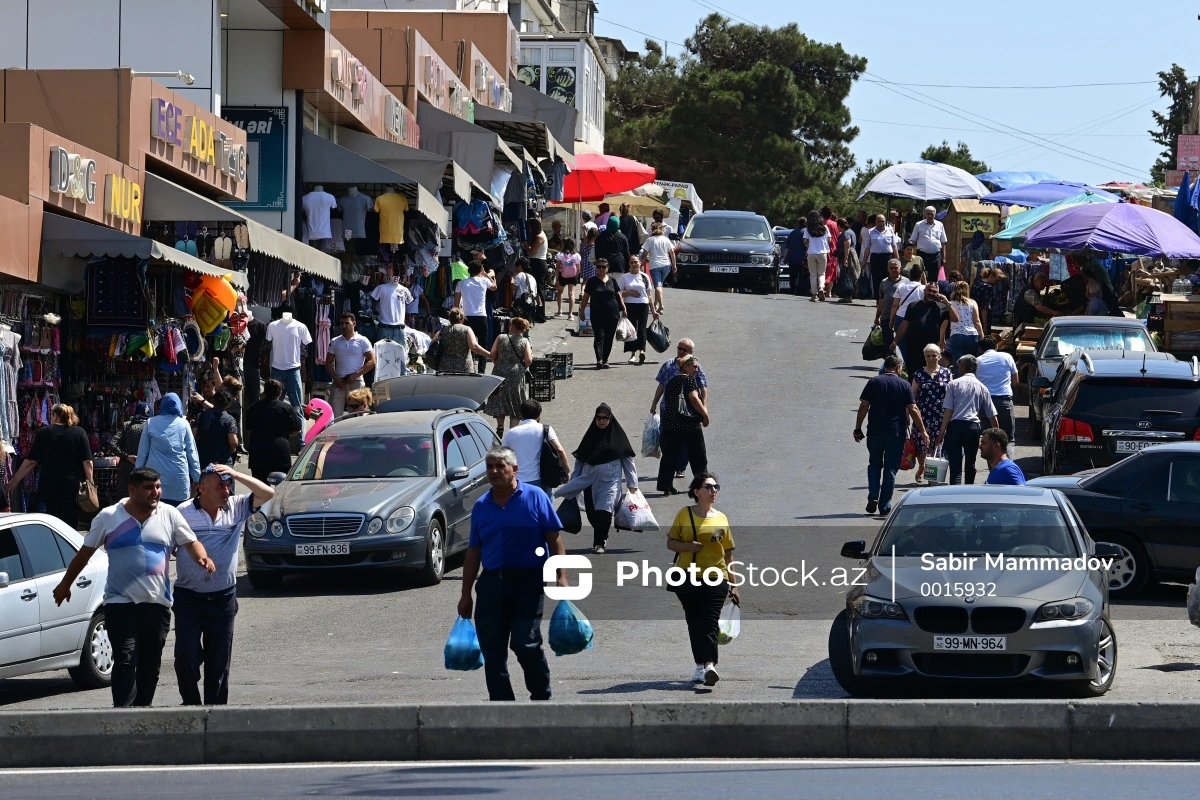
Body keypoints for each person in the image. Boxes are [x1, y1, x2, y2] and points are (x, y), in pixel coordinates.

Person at [52, 467, 216, 707]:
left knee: (150, 664)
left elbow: (191, 543)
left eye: (158, 487)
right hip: (120, 602)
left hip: (157, 603)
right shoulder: (108, 517)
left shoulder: (169, 514)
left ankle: (142, 711)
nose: (156, 493)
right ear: (132, 490)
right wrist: (66, 584)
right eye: (149, 488)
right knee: (126, 659)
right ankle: (123, 715)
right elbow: (85, 554)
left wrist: (203, 558)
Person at [458, 447, 566, 701]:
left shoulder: (536, 497)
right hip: (492, 585)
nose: (494, 471)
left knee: (525, 644)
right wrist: (465, 595)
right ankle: (502, 707)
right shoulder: (482, 506)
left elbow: (555, 539)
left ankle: (541, 696)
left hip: (528, 584)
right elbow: (473, 552)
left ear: (514, 469)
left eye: (500, 466)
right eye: (490, 467)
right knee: (492, 653)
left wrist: (562, 575)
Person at [174, 463, 274, 706]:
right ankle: (192, 707)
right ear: (202, 488)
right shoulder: (182, 512)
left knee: (219, 664)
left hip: (223, 600)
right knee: (185, 656)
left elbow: (269, 494)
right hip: (188, 599)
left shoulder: (236, 507)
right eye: (220, 486)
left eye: (228, 486)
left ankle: (215, 716)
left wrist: (237, 474)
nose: (226, 491)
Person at [666, 472, 738, 687]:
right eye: (708, 487)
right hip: (686, 576)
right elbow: (671, 543)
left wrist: (734, 584)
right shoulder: (685, 514)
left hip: (716, 577)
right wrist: (687, 546)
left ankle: (709, 665)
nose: (713, 490)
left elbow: (729, 553)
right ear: (697, 492)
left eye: (716, 487)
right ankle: (700, 666)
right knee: (694, 621)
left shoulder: (721, 518)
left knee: (709, 620)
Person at [555, 404, 638, 553]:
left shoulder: (617, 439)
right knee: (593, 516)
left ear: (610, 419)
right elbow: (580, 461)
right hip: (589, 484)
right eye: (599, 418)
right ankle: (601, 533)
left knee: (604, 511)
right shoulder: (589, 438)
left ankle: (599, 542)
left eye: (605, 418)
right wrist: (574, 482)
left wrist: (633, 485)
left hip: (610, 483)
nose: (602, 421)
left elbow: (628, 461)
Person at [855, 355, 928, 515]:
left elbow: (864, 405)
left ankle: (873, 495)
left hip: (874, 432)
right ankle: (885, 505)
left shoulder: (874, 382)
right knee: (890, 469)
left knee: (874, 464)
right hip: (895, 433)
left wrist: (858, 428)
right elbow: (913, 409)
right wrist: (923, 431)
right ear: (898, 368)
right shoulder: (904, 384)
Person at [6, 403, 93, 529]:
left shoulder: (45, 432)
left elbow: (31, 462)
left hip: (50, 485)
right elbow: (87, 462)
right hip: (72, 486)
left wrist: (14, 481)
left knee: (53, 522)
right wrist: (90, 484)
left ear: (55, 416)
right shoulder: (80, 432)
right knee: (71, 522)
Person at [934, 355, 1000, 486]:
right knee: (970, 462)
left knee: (955, 464)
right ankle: (969, 489)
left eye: (959, 366)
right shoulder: (982, 387)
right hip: (973, 428)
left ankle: (955, 489)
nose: (958, 369)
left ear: (963, 366)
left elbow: (948, 411)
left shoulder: (953, 384)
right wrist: (997, 436)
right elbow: (992, 415)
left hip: (955, 427)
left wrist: (941, 434)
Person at [651, 339, 710, 480]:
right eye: (680, 348)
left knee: (684, 443)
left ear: (691, 353)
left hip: (687, 414)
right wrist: (654, 404)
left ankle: (680, 468)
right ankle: (670, 474)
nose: (681, 351)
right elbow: (661, 385)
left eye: (685, 350)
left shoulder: (695, 368)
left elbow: (702, 387)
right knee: (667, 442)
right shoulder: (668, 365)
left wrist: (705, 407)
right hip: (668, 412)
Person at [134, 393, 200, 506]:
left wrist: (136, 476)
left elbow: (142, 452)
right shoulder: (184, 424)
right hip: (178, 478)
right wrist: (197, 477)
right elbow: (192, 453)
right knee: (178, 516)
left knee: (155, 516)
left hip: (155, 479)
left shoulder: (151, 422)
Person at [502, 399, 570, 493]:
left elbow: (502, 456)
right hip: (540, 480)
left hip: (517, 481)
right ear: (539, 415)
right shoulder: (545, 429)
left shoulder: (511, 433)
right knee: (543, 507)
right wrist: (567, 471)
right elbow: (560, 449)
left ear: (521, 415)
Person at [891, 282, 958, 375]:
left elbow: (955, 319)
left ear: (938, 293)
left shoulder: (941, 307)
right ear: (924, 291)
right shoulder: (913, 305)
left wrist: (947, 302)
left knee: (930, 375)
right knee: (913, 375)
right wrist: (895, 341)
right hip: (914, 348)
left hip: (931, 351)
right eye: (929, 290)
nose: (931, 293)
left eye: (934, 291)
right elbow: (904, 324)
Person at [244, 378, 301, 483]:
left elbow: (249, 430)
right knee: (282, 488)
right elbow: (296, 430)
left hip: (258, 452)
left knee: (260, 490)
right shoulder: (287, 408)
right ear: (280, 393)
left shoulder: (253, 408)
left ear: (265, 392)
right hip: (280, 451)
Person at [910, 344, 952, 485]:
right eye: (928, 355)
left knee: (938, 444)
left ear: (939, 356)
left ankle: (932, 477)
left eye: (934, 355)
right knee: (922, 445)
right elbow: (912, 396)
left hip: (941, 415)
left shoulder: (946, 373)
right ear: (925, 358)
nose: (931, 358)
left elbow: (952, 394)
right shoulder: (919, 374)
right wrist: (909, 414)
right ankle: (923, 467)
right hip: (923, 415)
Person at [484, 317, 534, 436]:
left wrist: (498, 363)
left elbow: (492, 354)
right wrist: (522, 367)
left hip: (499, 371)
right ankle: (512, 432)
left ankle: (500, 425)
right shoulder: (525, 341)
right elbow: (529, 360)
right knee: (515, 401)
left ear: (512, 326)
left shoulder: (501, 337)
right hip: (516, 373)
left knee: (500, 398)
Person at [578, 259, 627, 368]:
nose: (600, 269)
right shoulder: (591, 281)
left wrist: (623, 307)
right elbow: (586, 297)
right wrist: (582, 311)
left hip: (612, 313)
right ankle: (599, 359)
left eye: (603, 267)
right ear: (595, 268)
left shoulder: (612, 281)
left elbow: (618, 295)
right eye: (598, 266)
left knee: (609, 337)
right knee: (599, 336)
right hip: (596, 312)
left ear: (607, 269)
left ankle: (605, 359)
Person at [325, 312, 376, 415]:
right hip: (339, 382)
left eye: (347, 323)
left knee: (358, 417)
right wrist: (336, 379)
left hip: (356, 382)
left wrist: (355, 375)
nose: (344, 326)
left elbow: (372, 361)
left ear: (354, 323)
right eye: (342, 323)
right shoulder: (335, 341)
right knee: (334, 417)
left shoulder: (362, 340)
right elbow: (328, 363)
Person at [975, 337, 1018, 456]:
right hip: (1004, 401)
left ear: (981, 349)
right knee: (1008, 438)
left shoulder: (977, 361)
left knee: (989, 439)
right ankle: (1007, 467)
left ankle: (993, 470)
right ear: (996, 346)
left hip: (984, 404)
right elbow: (1015, 381)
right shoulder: (1007, 357)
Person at [454, 260, 498, 365]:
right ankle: (481, 370)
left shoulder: (461, 283)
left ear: (469, 270)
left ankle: (469, 365)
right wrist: (486, 274)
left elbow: (456, 305)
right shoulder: (484, 281)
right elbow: (494, 286)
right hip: (481, 316)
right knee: (483, 344)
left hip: (466, 317)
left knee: (467, 344)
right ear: (480, 270)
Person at [620, 255, 658, 363]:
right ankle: (633, 354)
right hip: (630, 305)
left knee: (642, 329)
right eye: (631, 262)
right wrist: (629, 293)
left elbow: (649, 294)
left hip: (643, 305)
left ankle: (642, 351)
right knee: (631, 329)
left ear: (640, 263)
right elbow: (619, 293)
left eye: (635, 262)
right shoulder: (625, 277)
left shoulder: (645, 276)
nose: (634, 264)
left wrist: (654, 310)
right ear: (629, 264)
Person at [432, 308, 492, 375]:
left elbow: (433, 343)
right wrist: (490, 355)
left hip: (445, 368)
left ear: (450, 318)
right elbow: (474, 347)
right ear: (462, 318)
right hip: (464, 368)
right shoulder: (467, 329)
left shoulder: (443, 330)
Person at [946, 281, 985, 374]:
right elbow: (977, 321)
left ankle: (959, 385)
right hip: (972, 335)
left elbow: (946, 321)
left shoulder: (950, 304)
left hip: (956, 334)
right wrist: (982, 336)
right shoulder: (972, 302)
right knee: (971, 364)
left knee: (958, 364)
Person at [113, 402, 153, 489]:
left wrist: (126, 456)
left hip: (126, 470)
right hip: (146, 470)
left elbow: (113, 445)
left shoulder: (126, 425)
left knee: (125, 500)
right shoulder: (151, 428)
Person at [194, 390, 238, 468]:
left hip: (204, 459)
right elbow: (233, 441)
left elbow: (193, 434)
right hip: (222, 460)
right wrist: (232, 449)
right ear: (228, 404)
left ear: (214, 400)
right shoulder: (230, 419)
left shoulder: (201, 415)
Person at [640, 222, 676, 313]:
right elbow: (672, 252)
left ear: (652, 230)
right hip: (666, 265)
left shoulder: (650, 240)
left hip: (655, 265)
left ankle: (661, 305)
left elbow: (644, 254)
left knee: (657, 286)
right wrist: (674, 265)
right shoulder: (666, 239)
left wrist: (640, 263)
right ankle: (655, 304)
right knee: (659, 285)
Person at [874, 259, 905, 355]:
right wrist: (877, 317)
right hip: (886, 316)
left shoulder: (906, 282)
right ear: (888, 269)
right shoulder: (884, 282)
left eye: (896, 268)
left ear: (900, 269)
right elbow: (881, 301)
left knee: (902, 341)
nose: (893, 270)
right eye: (891, 268)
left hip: (901, 317)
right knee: (888, 342)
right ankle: (890, 363)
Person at [909, 206, 948, 279]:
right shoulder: (918, 225)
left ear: (935, 215)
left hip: (936, 256)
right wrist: (910, 253)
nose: (930, 216)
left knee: (934, 277)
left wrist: (944, 257)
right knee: (921, 275)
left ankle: (933, 290)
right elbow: (913, 241)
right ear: (925, 214)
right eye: (928, 214)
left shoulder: (940, 225)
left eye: (932, 214)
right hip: (922, 255)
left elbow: (943, 242)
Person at [864, 214, 897, 297]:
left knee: (888, 278)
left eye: (883, 221)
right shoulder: (871, 231)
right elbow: (867, 248)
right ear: (875, 222)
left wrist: (897, 260)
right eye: (879, 221)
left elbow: (894, 246)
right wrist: (864, 261)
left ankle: (887, 297)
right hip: (876, 257)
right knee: (876, 278)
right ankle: (878, 299)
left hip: (887, 257)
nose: (881, 223)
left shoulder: (890, 230)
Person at [803, 210, 832, 302]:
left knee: (813, 274)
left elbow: (805, 241)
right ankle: (821, 288)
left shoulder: (808, 229)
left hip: (811, 253)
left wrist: (809, 245)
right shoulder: (825, 228)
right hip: (823, 253)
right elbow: (829, 240)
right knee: (822, 273)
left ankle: (814, 295)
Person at [971, 266, 1006, 335]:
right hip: (981, 318)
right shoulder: (988, 288)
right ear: (991, 276)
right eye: (997, 280)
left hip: (972, 316)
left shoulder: (977, 283)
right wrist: (985, 326)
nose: (997, 283)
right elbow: (984, 308)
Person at [523, 217, 550, 302]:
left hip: (538, 263)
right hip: (538, 262)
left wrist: (525, 245)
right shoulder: (541, 235)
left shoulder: (539, 237)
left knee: (538, 288)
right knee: (537, 287)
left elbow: (532, 252)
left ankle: (540, 311)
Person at [554, 237, 581, 318]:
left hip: (562, 275)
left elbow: (557, 267)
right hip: (573, 276)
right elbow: (578, 268)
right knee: (571, 293)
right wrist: (575, 275)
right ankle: (570, 314)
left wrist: (557, 278)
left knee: (560, 292)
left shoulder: (560, 255)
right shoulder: (576, 255)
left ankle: (560, 311)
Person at [783, 218, 809, 297]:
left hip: (792, 258)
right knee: (802, 276)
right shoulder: (806, 232)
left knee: (792, 276)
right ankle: (800, 291)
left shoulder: (793, 233)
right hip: (803, 258)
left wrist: (785, 258)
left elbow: (787, 248)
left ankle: (792, 290)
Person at [821, 207, 840, 289]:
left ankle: (822, 287)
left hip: (822, 248)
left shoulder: (821, 224)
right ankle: (829, 292)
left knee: (822, 269)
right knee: (832, 269)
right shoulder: (835, 224)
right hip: (834, 249)